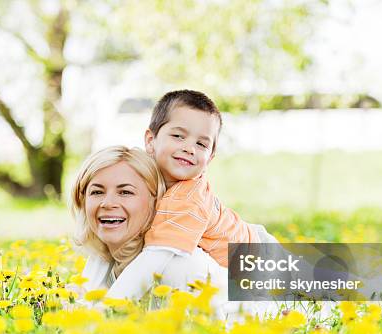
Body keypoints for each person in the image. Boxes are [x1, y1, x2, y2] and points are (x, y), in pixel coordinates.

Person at [106, 90, 277, 299]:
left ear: (210, 157)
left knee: (316, 296)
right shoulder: (139, 174)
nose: (189, 148)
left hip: (257, 261)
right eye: (178, 136)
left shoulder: (187, 197)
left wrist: (107, 306)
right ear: (151, 141)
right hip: (246, 238)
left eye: (201, 144)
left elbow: (154, 259)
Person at [70, 145, 229, 312]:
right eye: (97, 192)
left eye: (125, 192)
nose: (108, 203)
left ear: (156, 200)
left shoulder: (180, 267)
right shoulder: (105, 260)